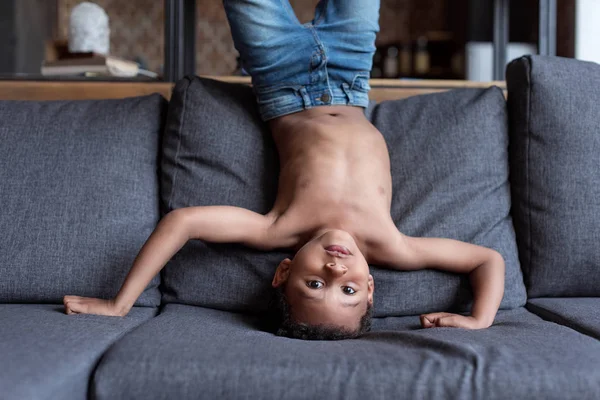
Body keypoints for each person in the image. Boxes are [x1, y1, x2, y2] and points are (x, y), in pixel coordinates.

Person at [64, 0, 505, 340]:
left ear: (283, 271)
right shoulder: (394, 246)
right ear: (370, 286)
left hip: (280, 75)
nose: (335, 274)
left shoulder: (276, 229)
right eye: (348, 291)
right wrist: (478, 319)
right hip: (352, 71)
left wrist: (121, 303)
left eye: (313, 283)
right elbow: (487, 260)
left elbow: (183, 221)